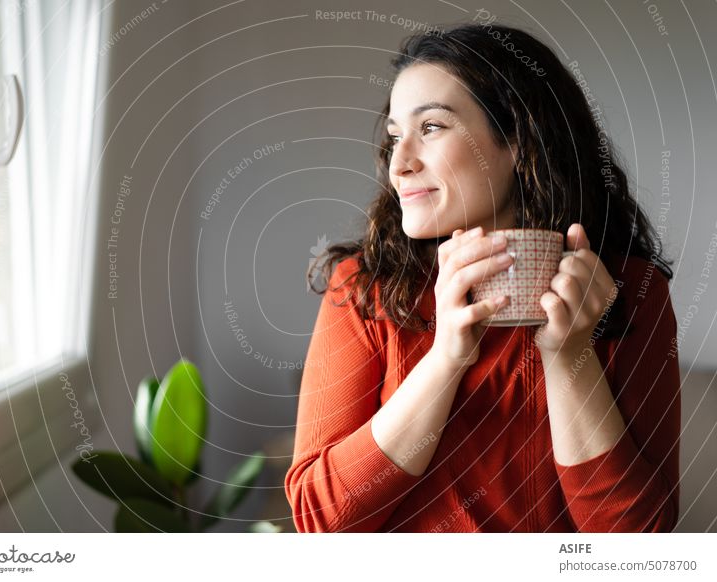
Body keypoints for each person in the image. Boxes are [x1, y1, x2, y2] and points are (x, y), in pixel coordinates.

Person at [284, 23, 680, 532]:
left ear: (516, 140)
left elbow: (638, 544)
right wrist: (446, 357)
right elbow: (320, 520)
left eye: (431, 128)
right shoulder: (363, 287)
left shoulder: (628, 289)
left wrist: (569, 358)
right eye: (395, 137)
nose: (398, 164)